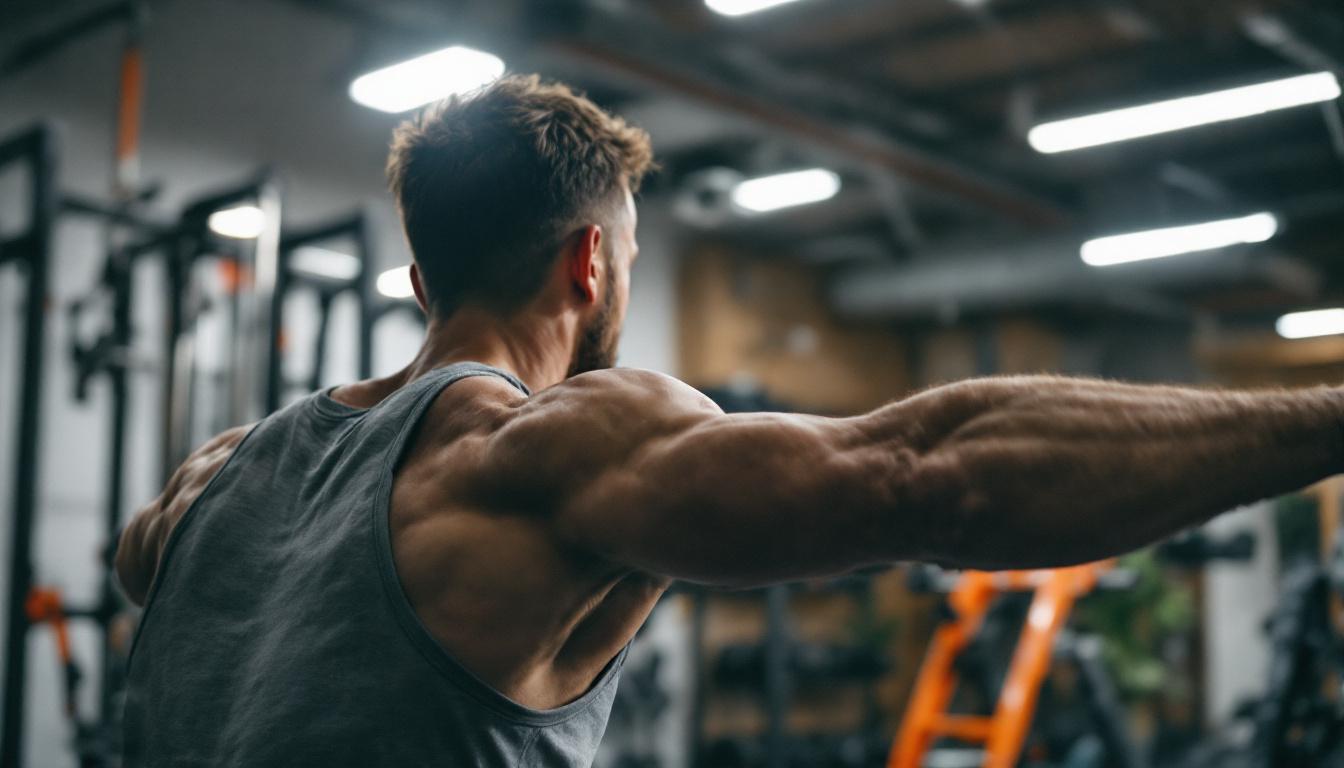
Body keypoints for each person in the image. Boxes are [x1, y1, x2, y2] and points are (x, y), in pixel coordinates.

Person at [115, 74, 1344, 767]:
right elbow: (928, 475)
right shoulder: (541, 457)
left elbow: (147, 576)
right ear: (590, 263)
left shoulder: (209, 486)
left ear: (424, 279)